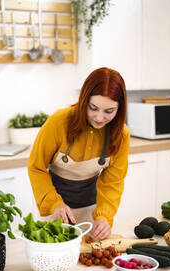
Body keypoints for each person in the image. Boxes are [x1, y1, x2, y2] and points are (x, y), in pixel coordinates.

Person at [28, 67, 130, 240]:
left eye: (109, 111)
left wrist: (104, 217)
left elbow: (113, 181)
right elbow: (36, 168)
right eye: (93, 108)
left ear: (119, 109)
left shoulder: (120, 134)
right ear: (84, 100)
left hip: (91, 211)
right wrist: (55, 204)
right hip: (54, 209)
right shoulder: (58, 122)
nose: (99, 118)